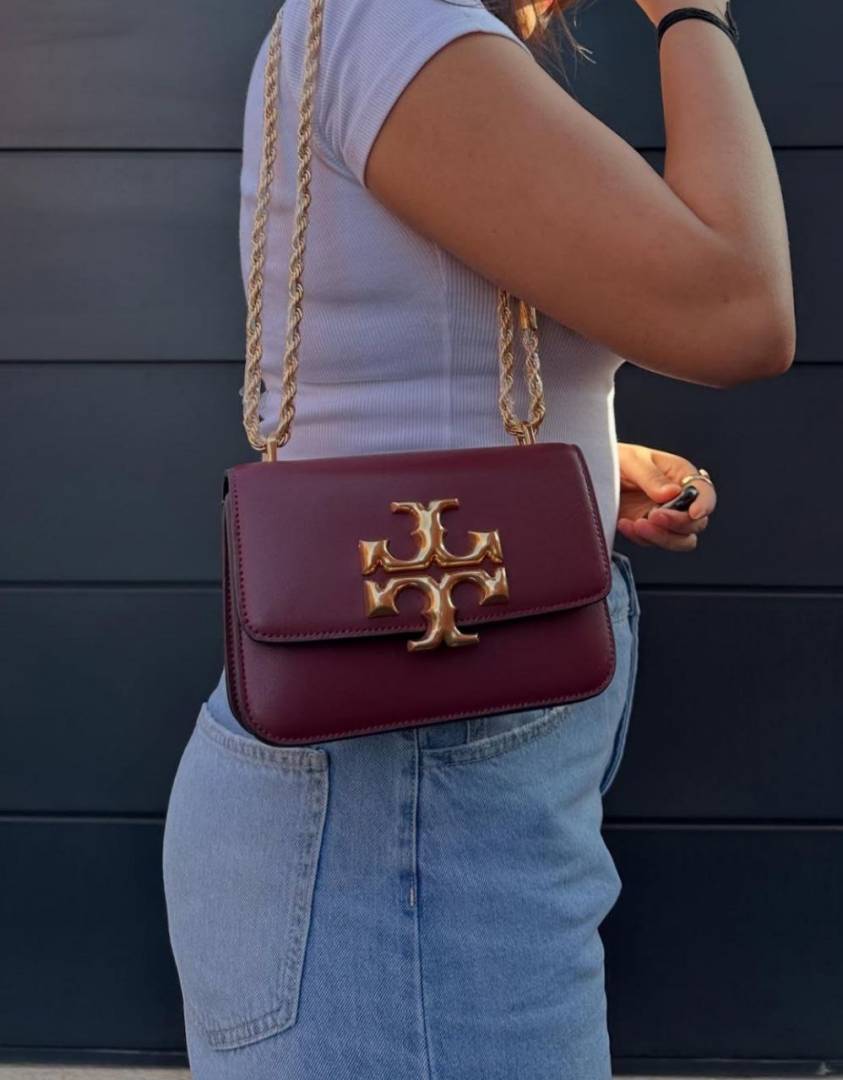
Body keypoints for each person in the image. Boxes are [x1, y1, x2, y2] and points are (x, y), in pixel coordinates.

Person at [161, 0, 795, 1077]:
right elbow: (742, 310)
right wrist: (694, 15)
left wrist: (579, 470)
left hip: (412, 805)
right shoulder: (401, 25)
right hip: (405, 816)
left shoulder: (384, 27)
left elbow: (400, 345)